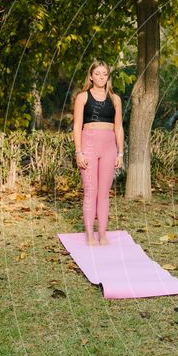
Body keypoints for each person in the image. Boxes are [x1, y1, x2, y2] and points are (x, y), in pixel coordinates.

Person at [72, 60, 125, 246]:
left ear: (108, 77)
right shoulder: (83, 97)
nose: (101, 77)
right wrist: (79, 152)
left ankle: (102, 234)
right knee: (90, 191)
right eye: (97, 73)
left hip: (109, 147)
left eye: (104, 74)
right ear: (91, 76)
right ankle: (89, 234)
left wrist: (120, 153)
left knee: (104, 193)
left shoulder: (115, 99)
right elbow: (77, 126)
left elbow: (118, 128)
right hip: (89, 146)